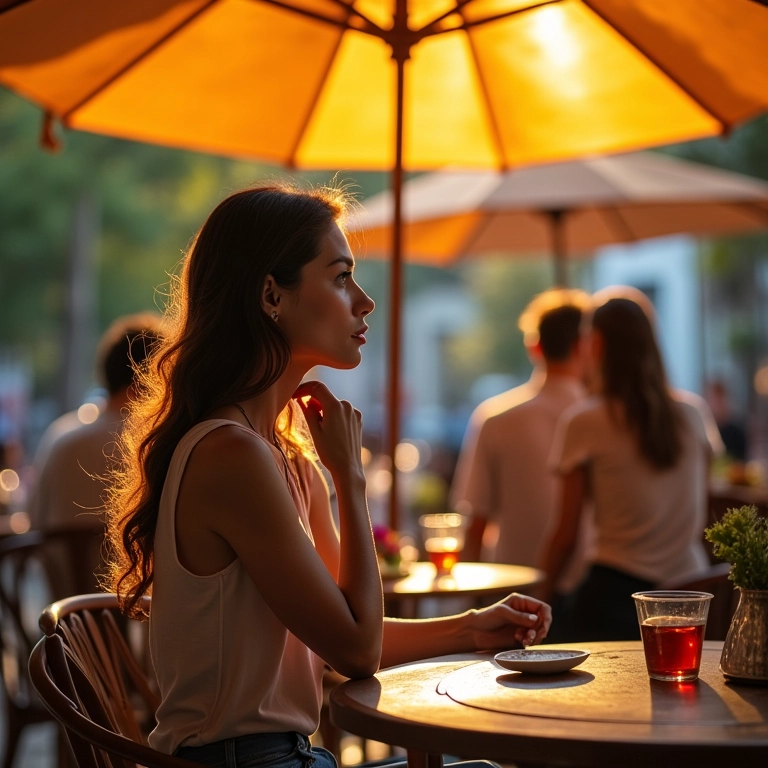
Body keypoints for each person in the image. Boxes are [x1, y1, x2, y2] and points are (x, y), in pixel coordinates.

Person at [102, 183, 551, 766]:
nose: (364, 302)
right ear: (271, 295)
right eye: (340, 277)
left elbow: (352, 628)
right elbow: (357, 652)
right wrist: (350, 476)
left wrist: (473, 628)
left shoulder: (283, 454)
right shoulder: (231, 456)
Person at [541, 287, 723, 641]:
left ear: (596, 345)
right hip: (694, 595)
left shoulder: (585, 420)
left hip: (618, 601)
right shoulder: (693, 413)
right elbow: (705, 508)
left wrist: (538, 597)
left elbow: (565, 536)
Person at [450, 289, 593, 636]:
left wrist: (468, 609)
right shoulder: (604, 420)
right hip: (591, 593)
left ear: (534, 347)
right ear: (587, 347)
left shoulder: (494, 418)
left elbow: (476, 520)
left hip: (512, 598)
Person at [28, 313, 162, 596]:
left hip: (66, 618)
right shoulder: (153, 443)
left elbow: (34, 520)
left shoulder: (60, 435)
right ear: (146, 383)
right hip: (136, 616)